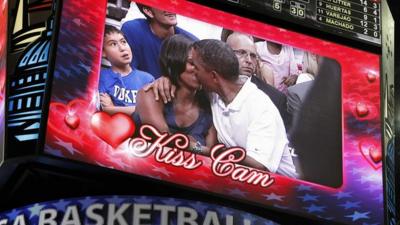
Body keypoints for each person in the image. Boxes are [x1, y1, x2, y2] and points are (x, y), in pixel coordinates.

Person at [188, 39, 296, 177]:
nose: (193, 71)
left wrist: (200, 149)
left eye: (195, 67)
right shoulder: (215, 94)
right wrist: (166, 81)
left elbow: (258, 165)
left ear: (213, 76)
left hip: (278, 188)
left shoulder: (260, 106)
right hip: (238, 177)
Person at [135, 35, 217, 153]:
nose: (200, 69)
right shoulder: (151, 93)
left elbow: (211, 153)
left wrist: (193, 146)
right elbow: (165, 140)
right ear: (173, 63)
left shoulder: (210, 104)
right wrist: (195, 146)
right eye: (192, 63)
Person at [224, 31, 291, 130]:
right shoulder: (213, 88)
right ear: (226, 54)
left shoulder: (275, 98)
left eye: (253, 56)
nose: (249, 60)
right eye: (242, 53)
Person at [121, 3, 198, 79]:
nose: (171, 6)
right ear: (148, 11)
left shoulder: (192, 43)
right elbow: (127, 74)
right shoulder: (133, 30)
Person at [99, 25, 154, 116]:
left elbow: (150, 112)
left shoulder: (147, 79)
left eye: (123, 42)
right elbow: (102, 110)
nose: (122, 48)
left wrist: (112, 109)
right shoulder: (101, 77)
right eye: (113, 44)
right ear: (103, 52)